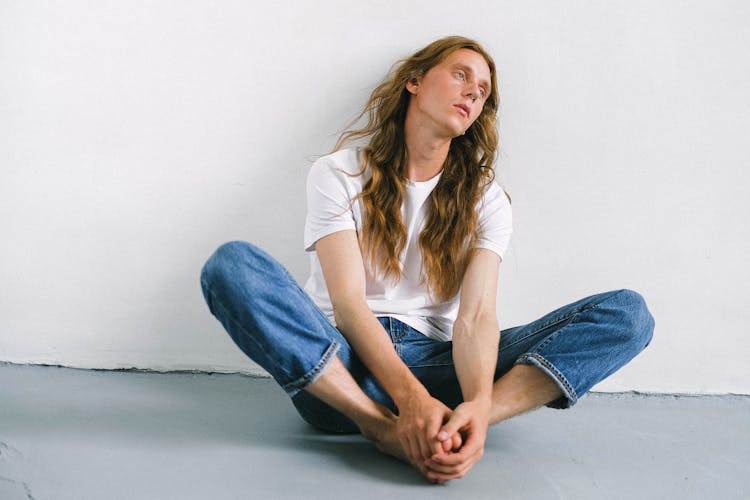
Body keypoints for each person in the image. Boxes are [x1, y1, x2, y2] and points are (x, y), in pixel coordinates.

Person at [199, 35, 655, 483]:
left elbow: (475, 318)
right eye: (461, 75)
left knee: (628, 315)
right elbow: (350, 306)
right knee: (232, 267)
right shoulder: (339, 173)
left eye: (482, 92)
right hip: (341, 366)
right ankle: (380, 426)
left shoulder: (487, 200)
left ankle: (464, 425)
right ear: (414, 81)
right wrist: (409, 400)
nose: (473, 93)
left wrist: (476, 403)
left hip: (441, 366)